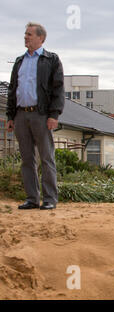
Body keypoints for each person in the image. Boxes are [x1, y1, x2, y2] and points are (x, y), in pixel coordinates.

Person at [6, 22, 64, 210]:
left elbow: (58, 89)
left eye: (29, 34)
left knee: (46, 158)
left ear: (41, 38)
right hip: (21, 115)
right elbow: (12, 89)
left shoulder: (51, 60)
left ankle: (49, 199)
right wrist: (10, 116)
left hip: (41, 115)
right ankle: (32, 198)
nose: (25, 37)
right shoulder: (19, 61)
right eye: (25, 34)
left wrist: (54, 114)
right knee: (26, 159)